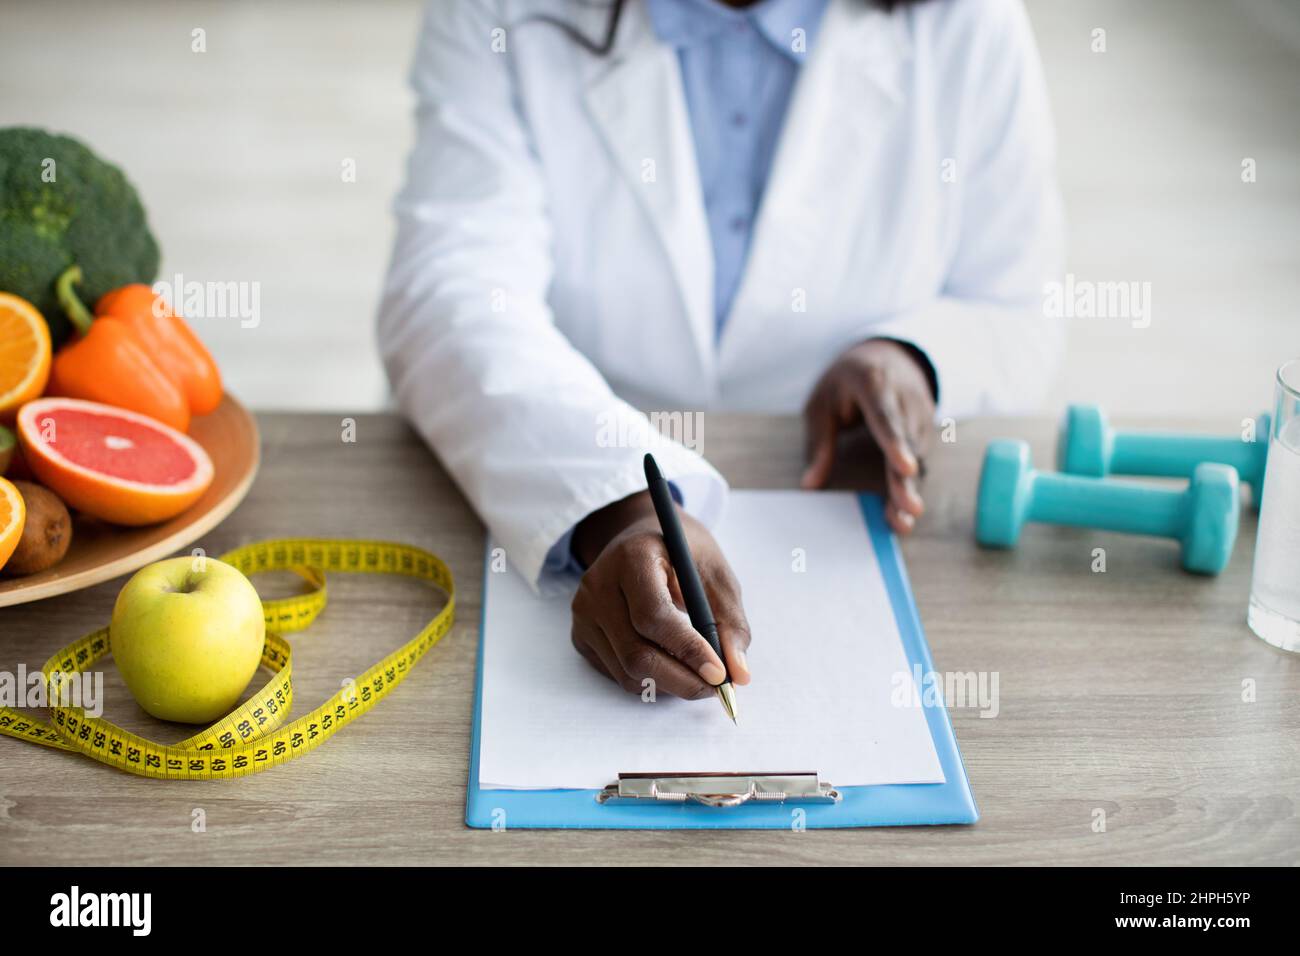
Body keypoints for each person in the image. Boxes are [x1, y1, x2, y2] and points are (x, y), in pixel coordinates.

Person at [378, 0, 1063, 702]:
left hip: (833, 487)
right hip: (562, 457)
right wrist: (613, 502)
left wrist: (912, 357)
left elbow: (1018, 312)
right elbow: (448, 292)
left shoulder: (971, 21)